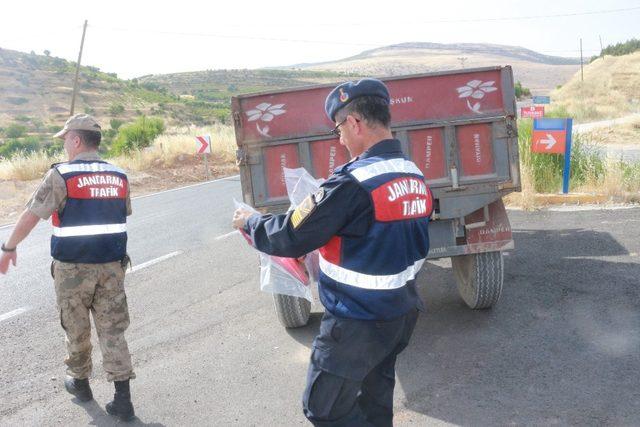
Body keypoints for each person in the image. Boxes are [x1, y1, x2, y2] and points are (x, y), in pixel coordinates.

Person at [232, 79, 433, 426]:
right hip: (400, 313)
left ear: (354, 122)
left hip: (357, 321)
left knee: (323, 407)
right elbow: (380, 239)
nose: (338, 138)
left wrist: (251, 222)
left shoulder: (353, 183)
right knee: (375, 401)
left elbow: (290, 235)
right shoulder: (413, 174)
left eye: (338, 128)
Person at [0, 114, 136, 422]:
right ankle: (123, 400)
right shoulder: (119, 175)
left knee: (76, 327)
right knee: (113, 330)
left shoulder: (61, 175)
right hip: (112, 266)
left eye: (65, 140)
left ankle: (81, 384)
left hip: (73, 270)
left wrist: (9, 247)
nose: (64, 146)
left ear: (76, 140)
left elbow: (32, 214)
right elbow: (122, 211)